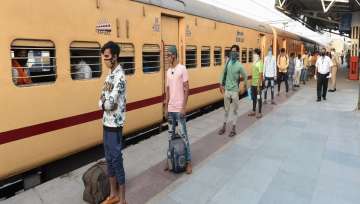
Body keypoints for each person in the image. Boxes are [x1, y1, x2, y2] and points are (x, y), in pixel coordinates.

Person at [98, 41, 127, 204]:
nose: (105, 60)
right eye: (104, 57)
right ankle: (113, 194)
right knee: (109, 158)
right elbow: (102, 100)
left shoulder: (120, 76)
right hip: (106, 122)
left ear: (115, 56)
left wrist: (105, 103)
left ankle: (123, 199)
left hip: (115, 124)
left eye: (107, 56)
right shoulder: (109, 76)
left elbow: (109, 102)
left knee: (116, 159)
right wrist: (105, 103)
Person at [164, 45, 192, 174]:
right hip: (171, 109)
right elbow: (168, 90)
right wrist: (166, 107)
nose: (167, 58)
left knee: (183, 136)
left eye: (168, 55)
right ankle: (170, 160)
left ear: (174, 56)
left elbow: (187, 89)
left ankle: (188, 162)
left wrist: (183, 107)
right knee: (170, 136)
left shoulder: (182, 69)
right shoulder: (168, 72)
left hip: (179, 109)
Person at [218, 45, 248, 137]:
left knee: (235, 111)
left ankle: (233, 129)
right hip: (227, 90)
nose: (233, 53)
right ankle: (224, 127)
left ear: (238, 53)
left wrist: (244, 86)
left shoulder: (239, 65)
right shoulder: (228, 62)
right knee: (226, 110)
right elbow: (223, 73)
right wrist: (220, 84)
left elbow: (245, 76)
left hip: (235, 91)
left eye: (235, 51)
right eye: (232, 51)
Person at [248, 48, 264, 118]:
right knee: (254, 98)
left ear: (257, 55)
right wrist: (251, 83)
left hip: (258, 85)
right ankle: (254, 111)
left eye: (254, 53)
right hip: (253, 84)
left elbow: (261, 76)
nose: (253, 55)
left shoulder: (260, 63)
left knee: (259, 98)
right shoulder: (254, 63)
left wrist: (258, 86)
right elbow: (253, 74)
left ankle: (260, 113)